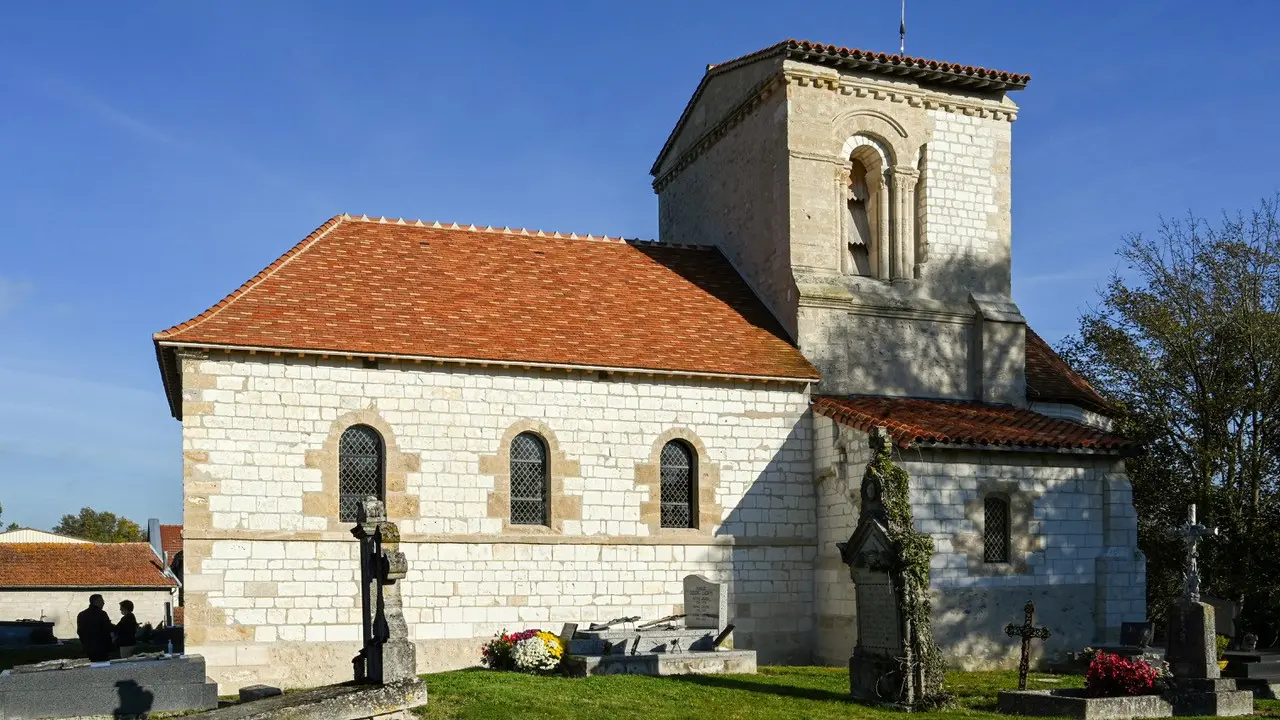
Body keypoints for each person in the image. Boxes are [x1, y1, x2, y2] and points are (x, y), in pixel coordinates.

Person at [76, 594, 114, 662]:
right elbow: (108, 629)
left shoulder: (81, 615)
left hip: (87, 648)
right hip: (101, 649)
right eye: (102, 601)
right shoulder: (102, 614)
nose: (103, 603)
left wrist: (85, 643)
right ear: (96, 601)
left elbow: (79, 632)